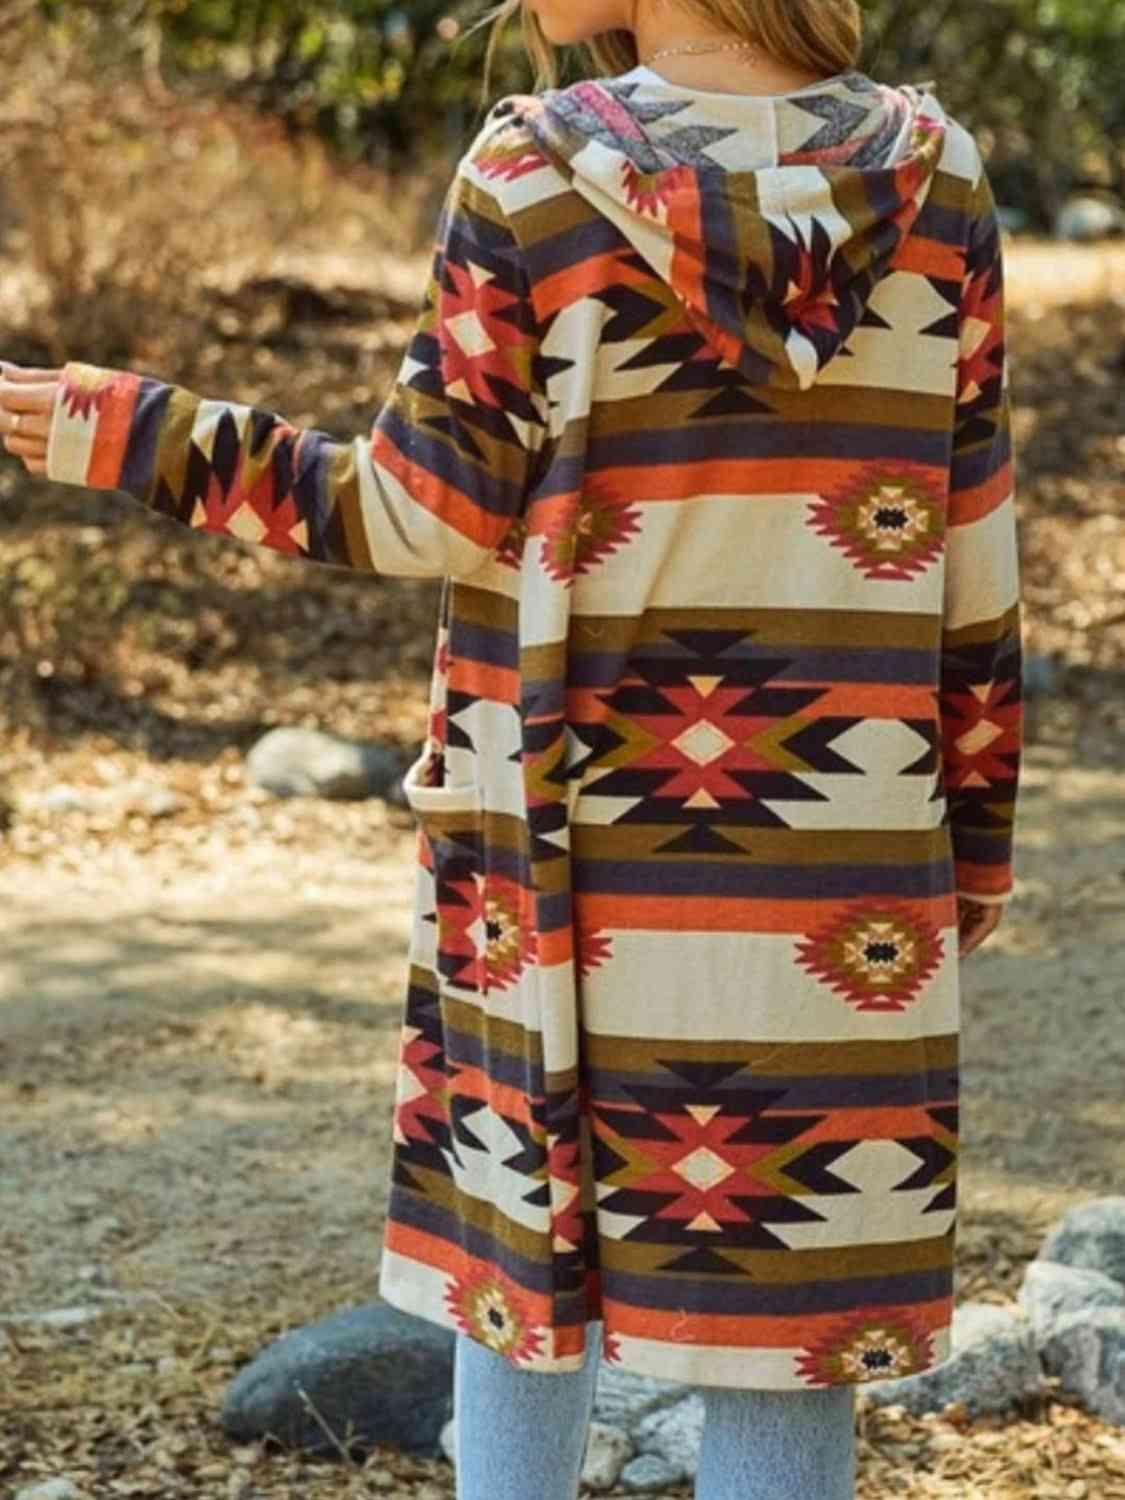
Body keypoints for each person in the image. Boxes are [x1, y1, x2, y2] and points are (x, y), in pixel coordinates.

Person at [0, 0, 1022, 1495]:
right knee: (785, 1338)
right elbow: (970, 548)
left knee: (518, 1288)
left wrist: (143, 433)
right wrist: (972, 842)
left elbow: (420, 512)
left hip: (557, 860)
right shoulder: (940, 175)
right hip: (840, 870)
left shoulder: (535, 173)